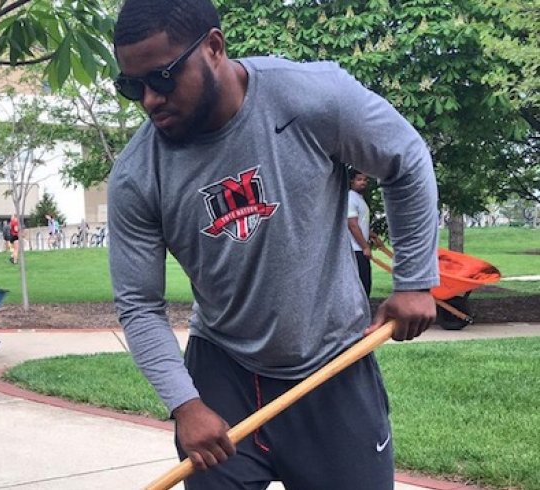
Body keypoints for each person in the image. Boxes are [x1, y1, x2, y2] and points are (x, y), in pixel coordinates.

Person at [106, 1, 439, 488]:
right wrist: (186, 405)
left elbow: (405, 159)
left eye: (163, 77)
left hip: (333, 366)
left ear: (214, 47)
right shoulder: (137, 176)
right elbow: (138, 303)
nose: (150, 101)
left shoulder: (310, 98)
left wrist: (414, 280)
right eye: (132, 87)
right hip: (222, 373)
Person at [347, 169, 373, 297]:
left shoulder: (359, 199)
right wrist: (365, 247)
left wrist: (372, 235)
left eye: (365, 180)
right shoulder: (350, 198)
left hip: (360, 248)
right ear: (352, 181)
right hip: (355, 249)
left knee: (366, 284)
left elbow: (361, 222)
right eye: (359, 179)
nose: (363, 182)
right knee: (362, 285)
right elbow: (352, 225)